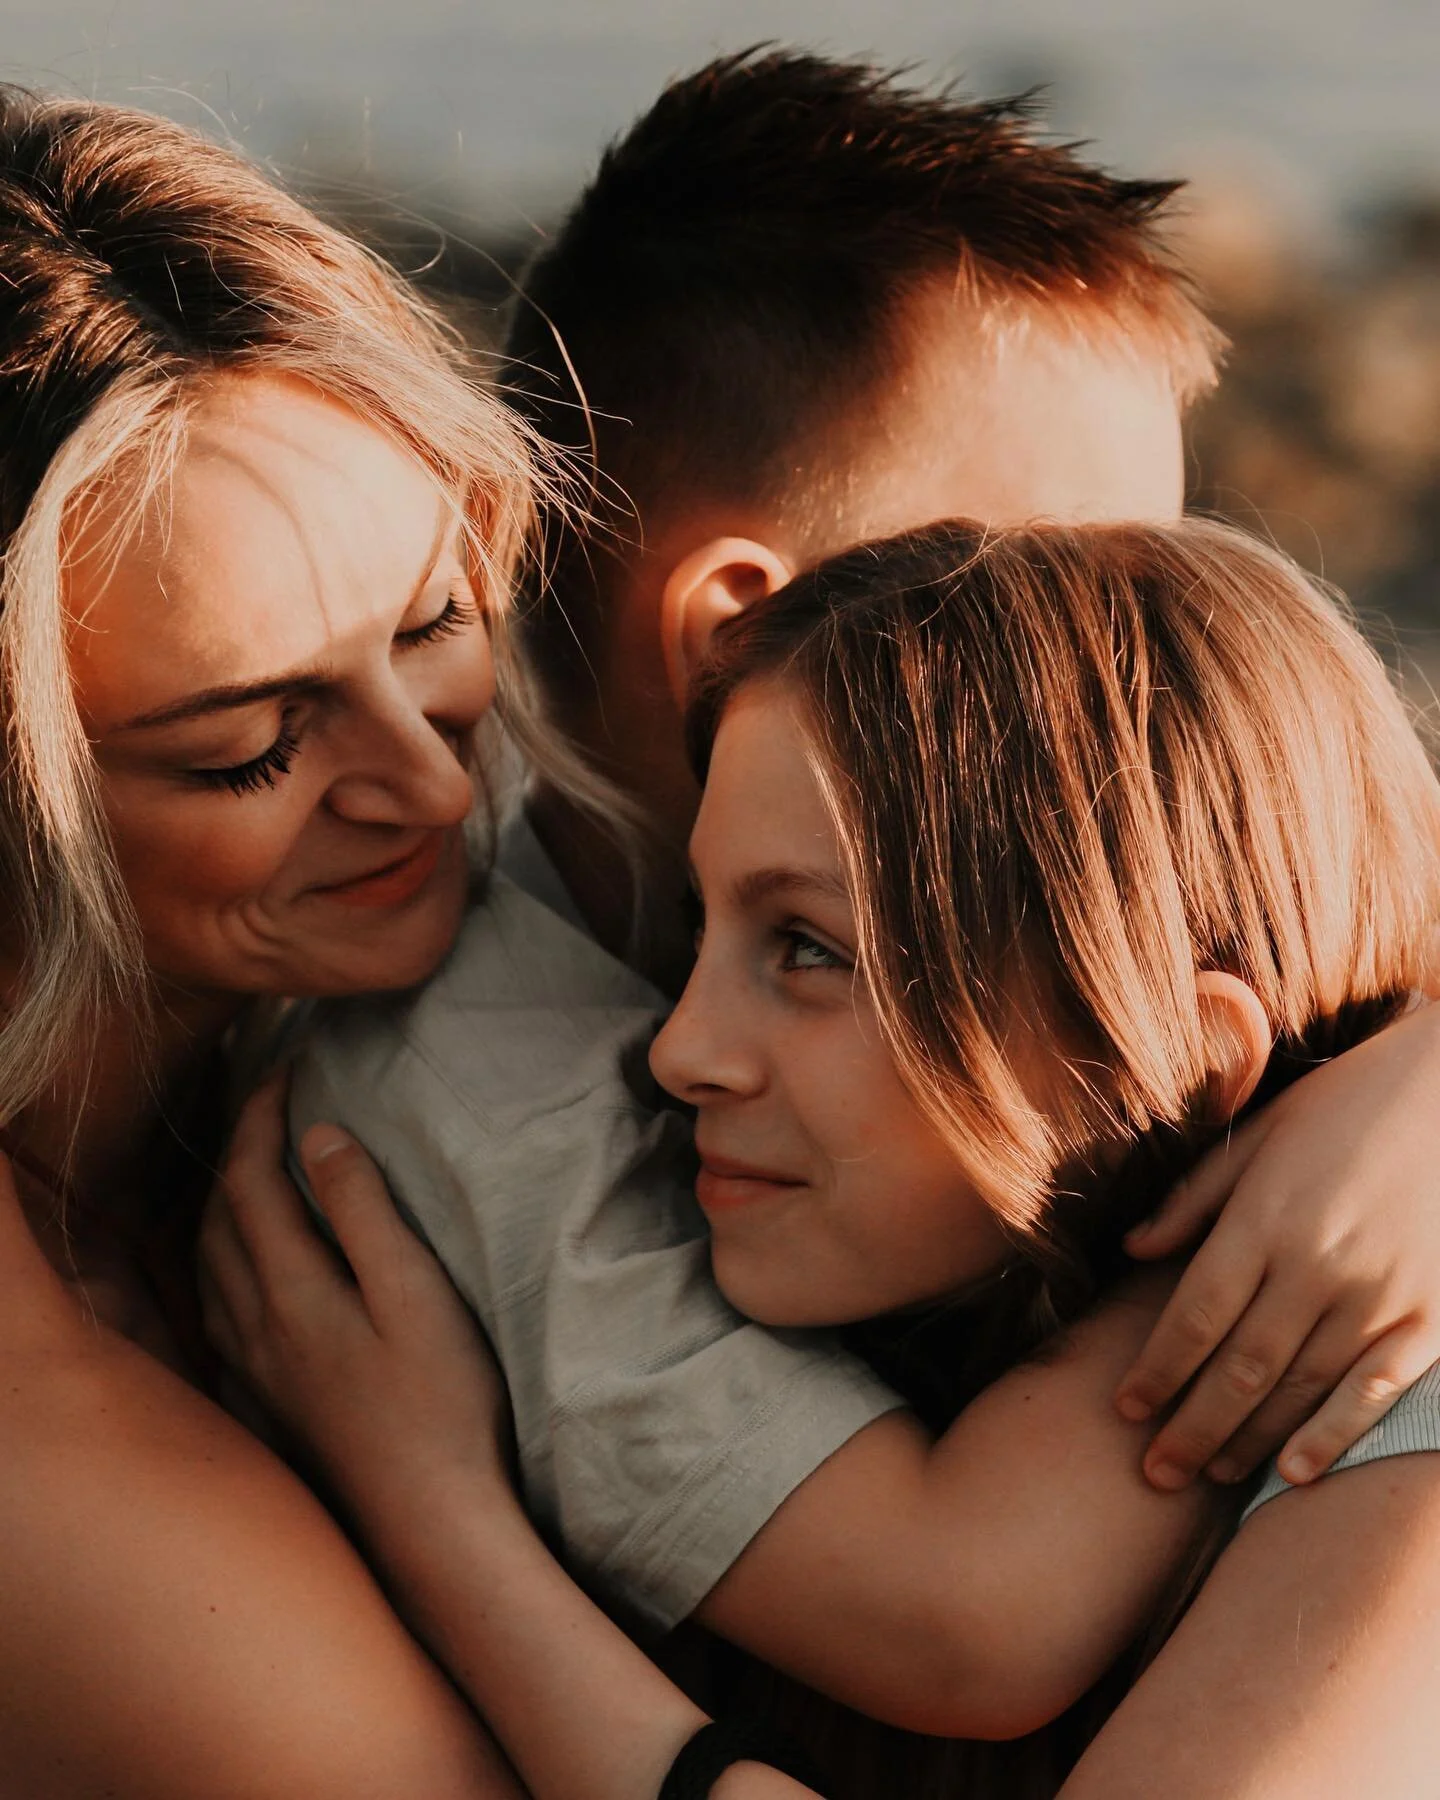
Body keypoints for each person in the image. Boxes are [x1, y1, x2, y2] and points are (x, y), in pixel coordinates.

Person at [206, 514, 1440, 1800]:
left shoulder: (1402, 1428)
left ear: (1171, 1059)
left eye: (807, 950)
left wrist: (443, 1524)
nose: (678, 1052)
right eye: (702, 931)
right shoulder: (898, 1360)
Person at [0, 81, 634, 1796]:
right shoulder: (47, 1467)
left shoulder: (275, 1039)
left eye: (433, 621)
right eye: (249, 749)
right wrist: (441, 1510)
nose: (432, 787)